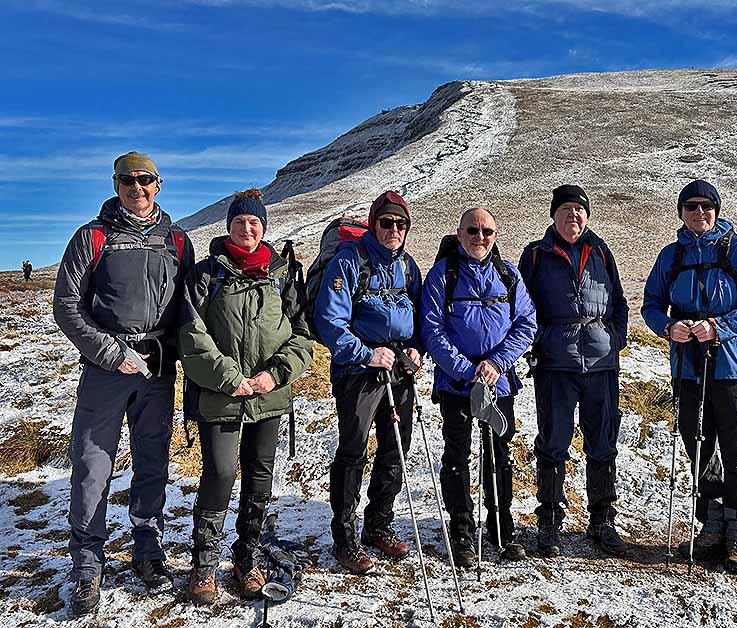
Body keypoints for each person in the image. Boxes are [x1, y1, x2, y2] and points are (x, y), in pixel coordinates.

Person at [53, 152, 195, 616]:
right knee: (92, 467)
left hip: (157, 371)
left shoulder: (177, 240)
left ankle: (148, 549)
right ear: (116, 185)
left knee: (153, 463)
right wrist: (113, 354)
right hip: (106, 370)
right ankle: (87, 565)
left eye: (145, 180)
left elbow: (188, 309)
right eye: (127, 180)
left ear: (159, 184)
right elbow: (67, 306)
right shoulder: (92, 237)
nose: (137, 187)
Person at [178, 188, 313, 604]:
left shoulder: (281, 275)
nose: (247, 229)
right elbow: (191, 334)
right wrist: (228, 377)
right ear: (228, 226)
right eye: (240, 221)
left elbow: (302, 335)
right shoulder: (205, 275)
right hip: (220, 395)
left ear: (264, 227)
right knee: (220, 473)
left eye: (254, 222)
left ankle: (246, 557)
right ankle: (204, 563)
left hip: (268, 397)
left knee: (259, 476)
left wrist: (275, 375)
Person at [642, 179, 737, 574]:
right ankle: (713, 522)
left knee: (736, 450)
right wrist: (669, 327)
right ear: (681, 212)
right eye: (691, 206)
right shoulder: (671, 256)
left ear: (716, 210)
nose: (699, 212)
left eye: (706, 205)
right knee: (698, 446)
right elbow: (652, 304)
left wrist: (721, 326)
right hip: (687, 367)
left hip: (730, 365)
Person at [421, 208, 537, 566]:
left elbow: (526, 324)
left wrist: (496, 363)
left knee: (499, 454)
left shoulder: (508, 274)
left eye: (487, 231)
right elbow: (431, 329)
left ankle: (502, 528)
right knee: (457, 455)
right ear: (459, 234)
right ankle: (461, 530)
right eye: (472, 230)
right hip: (457, 383)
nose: (480, 237)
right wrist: (466, 369)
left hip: (498, 383)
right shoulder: (443, 274)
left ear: (496, 235)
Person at [314, 190, 423, 575]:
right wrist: (365, 353)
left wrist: (417, 348)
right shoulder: (349, 261)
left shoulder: (407, 265)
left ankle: (379, 524)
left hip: (399, 368)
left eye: (401, 224)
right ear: (374, 224)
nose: (394, 229)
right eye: (387, 222)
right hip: (358, 370)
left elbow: (419, 315)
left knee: (396, 448)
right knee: (353, 451)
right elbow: (330, 321)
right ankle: (345, 538)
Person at [518, 184, 629, 558]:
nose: (572, 215)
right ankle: (549, 522)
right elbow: (522, 306)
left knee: (603, 443)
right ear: (553, 215)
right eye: (565, 209)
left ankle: (602, 521)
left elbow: (618, 301)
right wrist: (540, 342)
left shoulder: (601, 251)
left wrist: (615, 339)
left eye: (579, 209)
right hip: (556, 365)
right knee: (553, 443)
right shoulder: (536, 254)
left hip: (601, 363)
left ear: (587, 215)